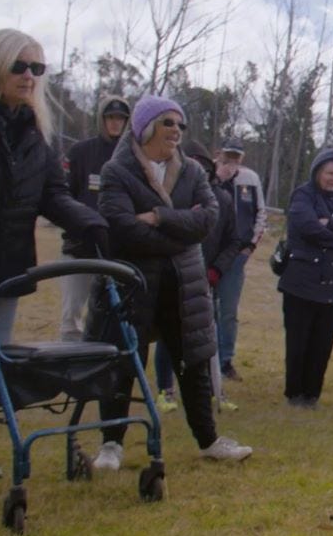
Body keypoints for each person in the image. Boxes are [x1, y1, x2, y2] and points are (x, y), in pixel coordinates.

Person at [0, 29, 108, 487]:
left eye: (38, 68)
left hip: (4, 269)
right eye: (19, 65)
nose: (29, 76)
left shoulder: (37, 134)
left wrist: (87, 222)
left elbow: (52, 193)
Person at [93, 95, 251, 468]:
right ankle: (111, 444)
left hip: (185, 282)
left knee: (194, 360)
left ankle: (209, 439)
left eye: (180, 125)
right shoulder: (117, 171)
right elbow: (123, 229)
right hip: (132, 281)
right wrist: (180, 228)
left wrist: (160, 217)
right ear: (146, 127)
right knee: (123, 359)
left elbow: (207, 221)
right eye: (168, 123)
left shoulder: (194, 173)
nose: (176, 131)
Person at [152, 139, 243, 413]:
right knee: (168, 335)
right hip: (172, 275)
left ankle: (216, 390)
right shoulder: (166, 195)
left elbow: (233, 240)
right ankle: (165, 390)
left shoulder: (223, 199)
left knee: (208, 336)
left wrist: (217, 270)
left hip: (207, 277)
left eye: (203, 167)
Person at [278, 148, 333, 409]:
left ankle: (312, 394)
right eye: (329, 172)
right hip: (301, 281)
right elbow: (307, 227)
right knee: (298, 341)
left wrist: (332, 224)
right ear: (318, 172)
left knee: (322, 343)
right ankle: (294, 393)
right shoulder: (303, 195)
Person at [59, 95, 131, 341]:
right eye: (110, 118)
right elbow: (63, 196)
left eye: (120, 119)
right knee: (72, 315)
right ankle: (69, 365)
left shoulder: (131, 157)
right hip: (81, 246)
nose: (115, 123)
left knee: (109, 312)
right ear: (102, 119)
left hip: (115, 248)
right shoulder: (81, 152)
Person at [214, 138, 266, 382]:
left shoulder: (251, 179)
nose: (232, 161)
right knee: (204, 309)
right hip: (211, 254)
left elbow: (260, 214)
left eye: (236, 156)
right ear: (221, 154)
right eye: (228, 156)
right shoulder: (210, 174)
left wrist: (250, 247)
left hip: (236, 256)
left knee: (228, 311)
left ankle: (225, 361)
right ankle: (203, 359)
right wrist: (219, 178)